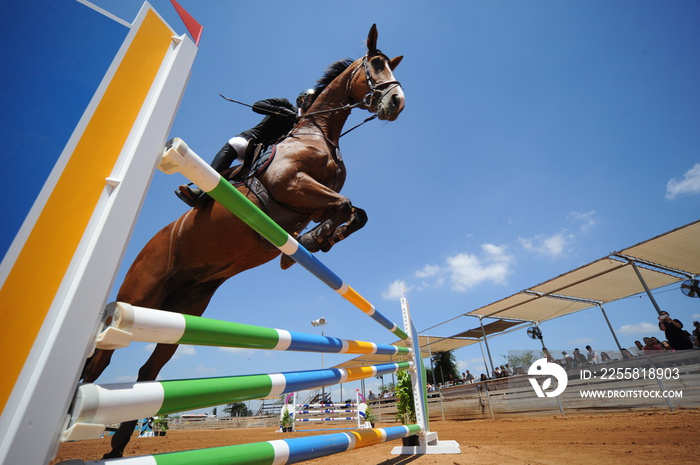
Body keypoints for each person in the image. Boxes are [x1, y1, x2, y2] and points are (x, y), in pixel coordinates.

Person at [175, 90, 317, 207]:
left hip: (270, 155)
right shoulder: (285, 104)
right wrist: (283, 112)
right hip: (251, 142)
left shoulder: (306, 127)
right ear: (301, 99)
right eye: (310, 98)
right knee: (236, 142)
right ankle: (201, 191)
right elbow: (257, 105)